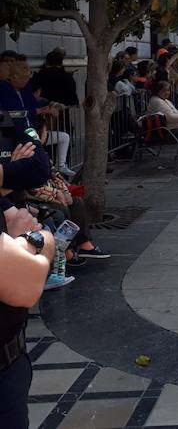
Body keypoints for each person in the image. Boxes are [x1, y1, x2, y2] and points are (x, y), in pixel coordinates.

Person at [0, 115, 56, 429]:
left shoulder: (13, 122)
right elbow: (25, 285)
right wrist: (35, 239)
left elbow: (38, 168)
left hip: (10, 361)